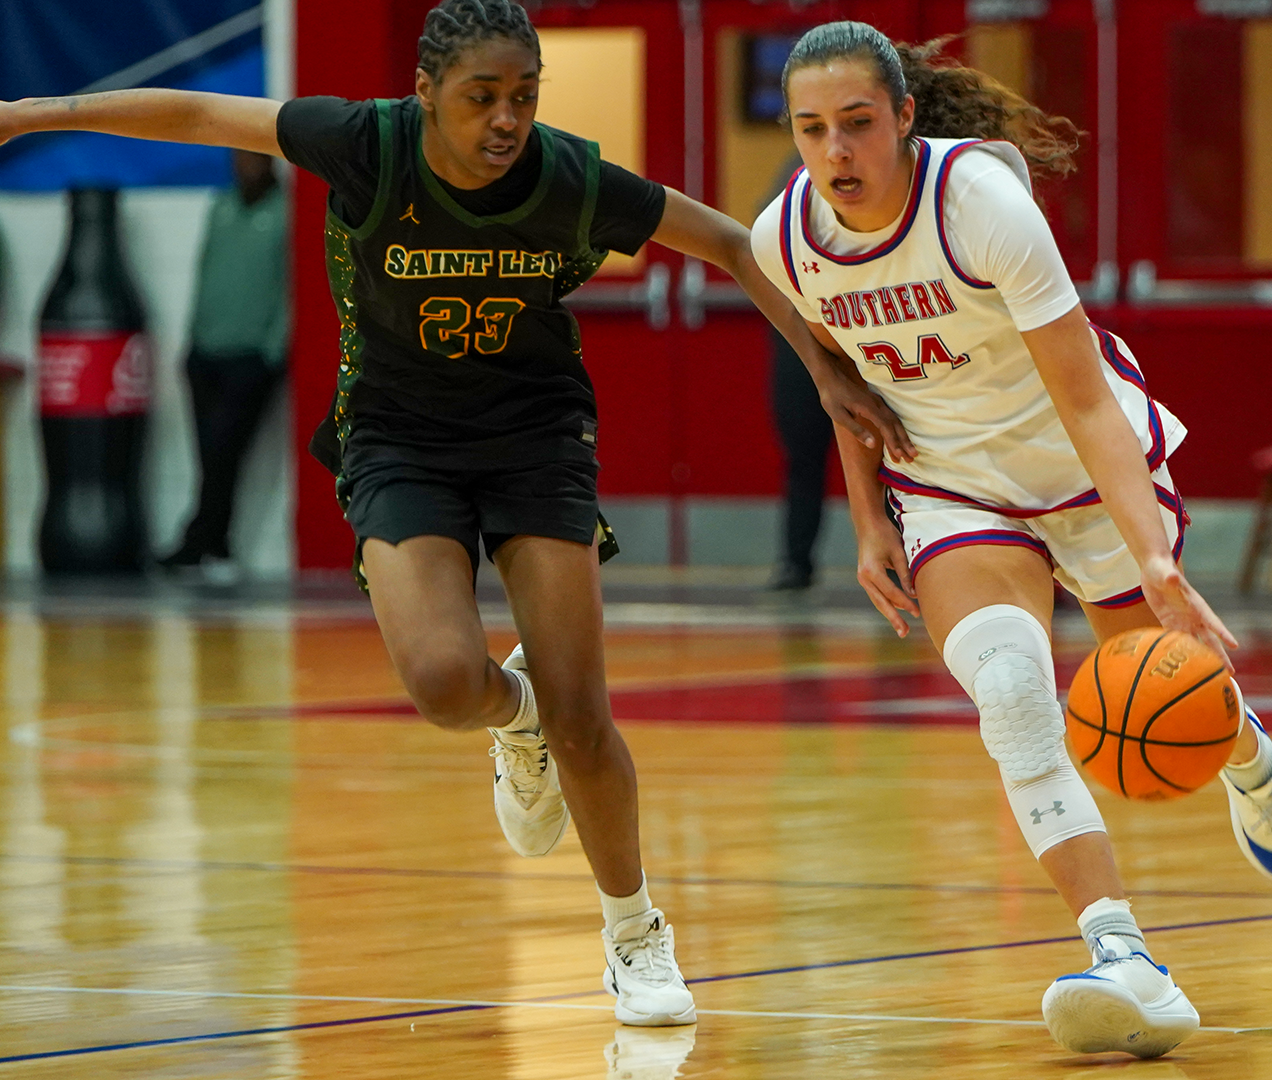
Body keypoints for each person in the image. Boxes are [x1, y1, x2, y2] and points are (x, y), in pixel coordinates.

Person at [0, 0, 911, 1027]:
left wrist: (823, 367)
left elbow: (734, 243)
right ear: (427, 93)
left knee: (586, 713)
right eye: (482, 98)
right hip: (400, 439)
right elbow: (204, 119)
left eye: (523, 97)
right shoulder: (368, 144)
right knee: (442, 681)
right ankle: (510, 720)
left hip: (533, 436)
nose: (506, 120)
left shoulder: (566, 179)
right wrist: (33, 113)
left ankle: (635, 935)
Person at [752, 23, 1272, 1059]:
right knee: (1011, 691)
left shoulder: (981, 205)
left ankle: (1251, 757)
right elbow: (847, 384)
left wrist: (1153, 557)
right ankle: (1122, 955)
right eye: (812, 129)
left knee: (1156, 679)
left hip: (1077, 464)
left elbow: (1086, 400)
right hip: (953, 486)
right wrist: (871, 518)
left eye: (859, 125)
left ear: (907, 117)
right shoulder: (782, 238)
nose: (836, 152)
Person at [158, 149, 288, 581]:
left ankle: (207, 544)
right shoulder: (222, 207)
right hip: (206, 352)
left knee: (224, 451)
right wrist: (192, 338)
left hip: (252, 357)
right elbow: (204, 271)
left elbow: (295, 285)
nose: (243, 167)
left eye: (252, 159)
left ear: (270, 162)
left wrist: (274, 348)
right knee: (207, 456)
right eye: (238, 159)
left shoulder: (287, 213)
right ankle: (208, 546)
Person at [764, 155, 835, 591]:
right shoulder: (791, 180)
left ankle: (900, 566)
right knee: (803, 454)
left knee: (891, 451)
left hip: (858, 331)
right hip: (800, 337)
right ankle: (795, 561)